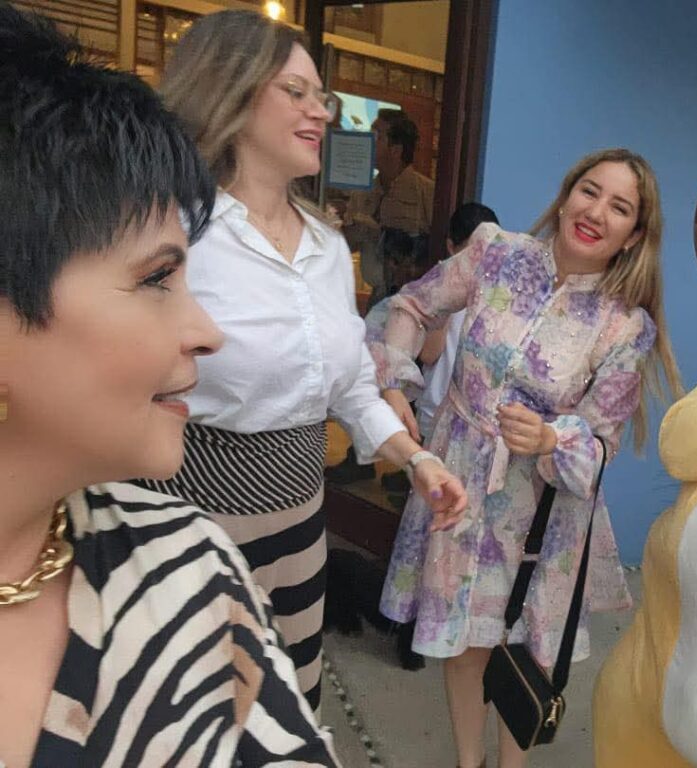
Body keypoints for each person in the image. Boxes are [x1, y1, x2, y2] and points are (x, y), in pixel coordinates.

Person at [0, 5, 339, 766]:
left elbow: (347, 378)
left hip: (298, 504)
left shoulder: (191, 572)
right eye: (157, 279)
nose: (207, 332)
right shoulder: (201, 221)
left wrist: (405, 448)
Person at [143, 9, 466, 710]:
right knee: (195, 722)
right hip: (192, 517)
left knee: (287, 711)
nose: (321, 111)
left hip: (298, 520)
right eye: (296, 92)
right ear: (230, 93)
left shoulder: (324, 246)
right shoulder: (174, 231)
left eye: (322, 96)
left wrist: (415, 458)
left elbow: (350, 387)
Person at [370, 148, 683, 767]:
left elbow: (600, 446)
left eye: (619, 207)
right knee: (464, 643)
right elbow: (411, 306)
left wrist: (550, 439)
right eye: (589, 191)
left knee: (521, 650)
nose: (596, 212)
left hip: (539, 512)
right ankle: (469, 763)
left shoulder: (624, 327)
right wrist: (394, 383)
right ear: (566, 197)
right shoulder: (494, 252)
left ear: (633, 236)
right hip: (459, 484)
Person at [416, 203, 500, 444]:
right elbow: (429, 354)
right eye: (472, 253)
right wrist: (447, 295)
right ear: (451, 247)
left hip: (477, 422)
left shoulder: (501, 291)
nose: (479, 262)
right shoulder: (437, 286)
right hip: (437, 414)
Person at [344, 109, 435, 307]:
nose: (368, 141)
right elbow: (346, 246)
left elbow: (437, 253)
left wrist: (384, 237)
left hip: (415, 302)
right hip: (376, 301)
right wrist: (354, 231)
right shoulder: (362, 192)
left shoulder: (426, 192)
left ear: (396, 149)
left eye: (376, 136)